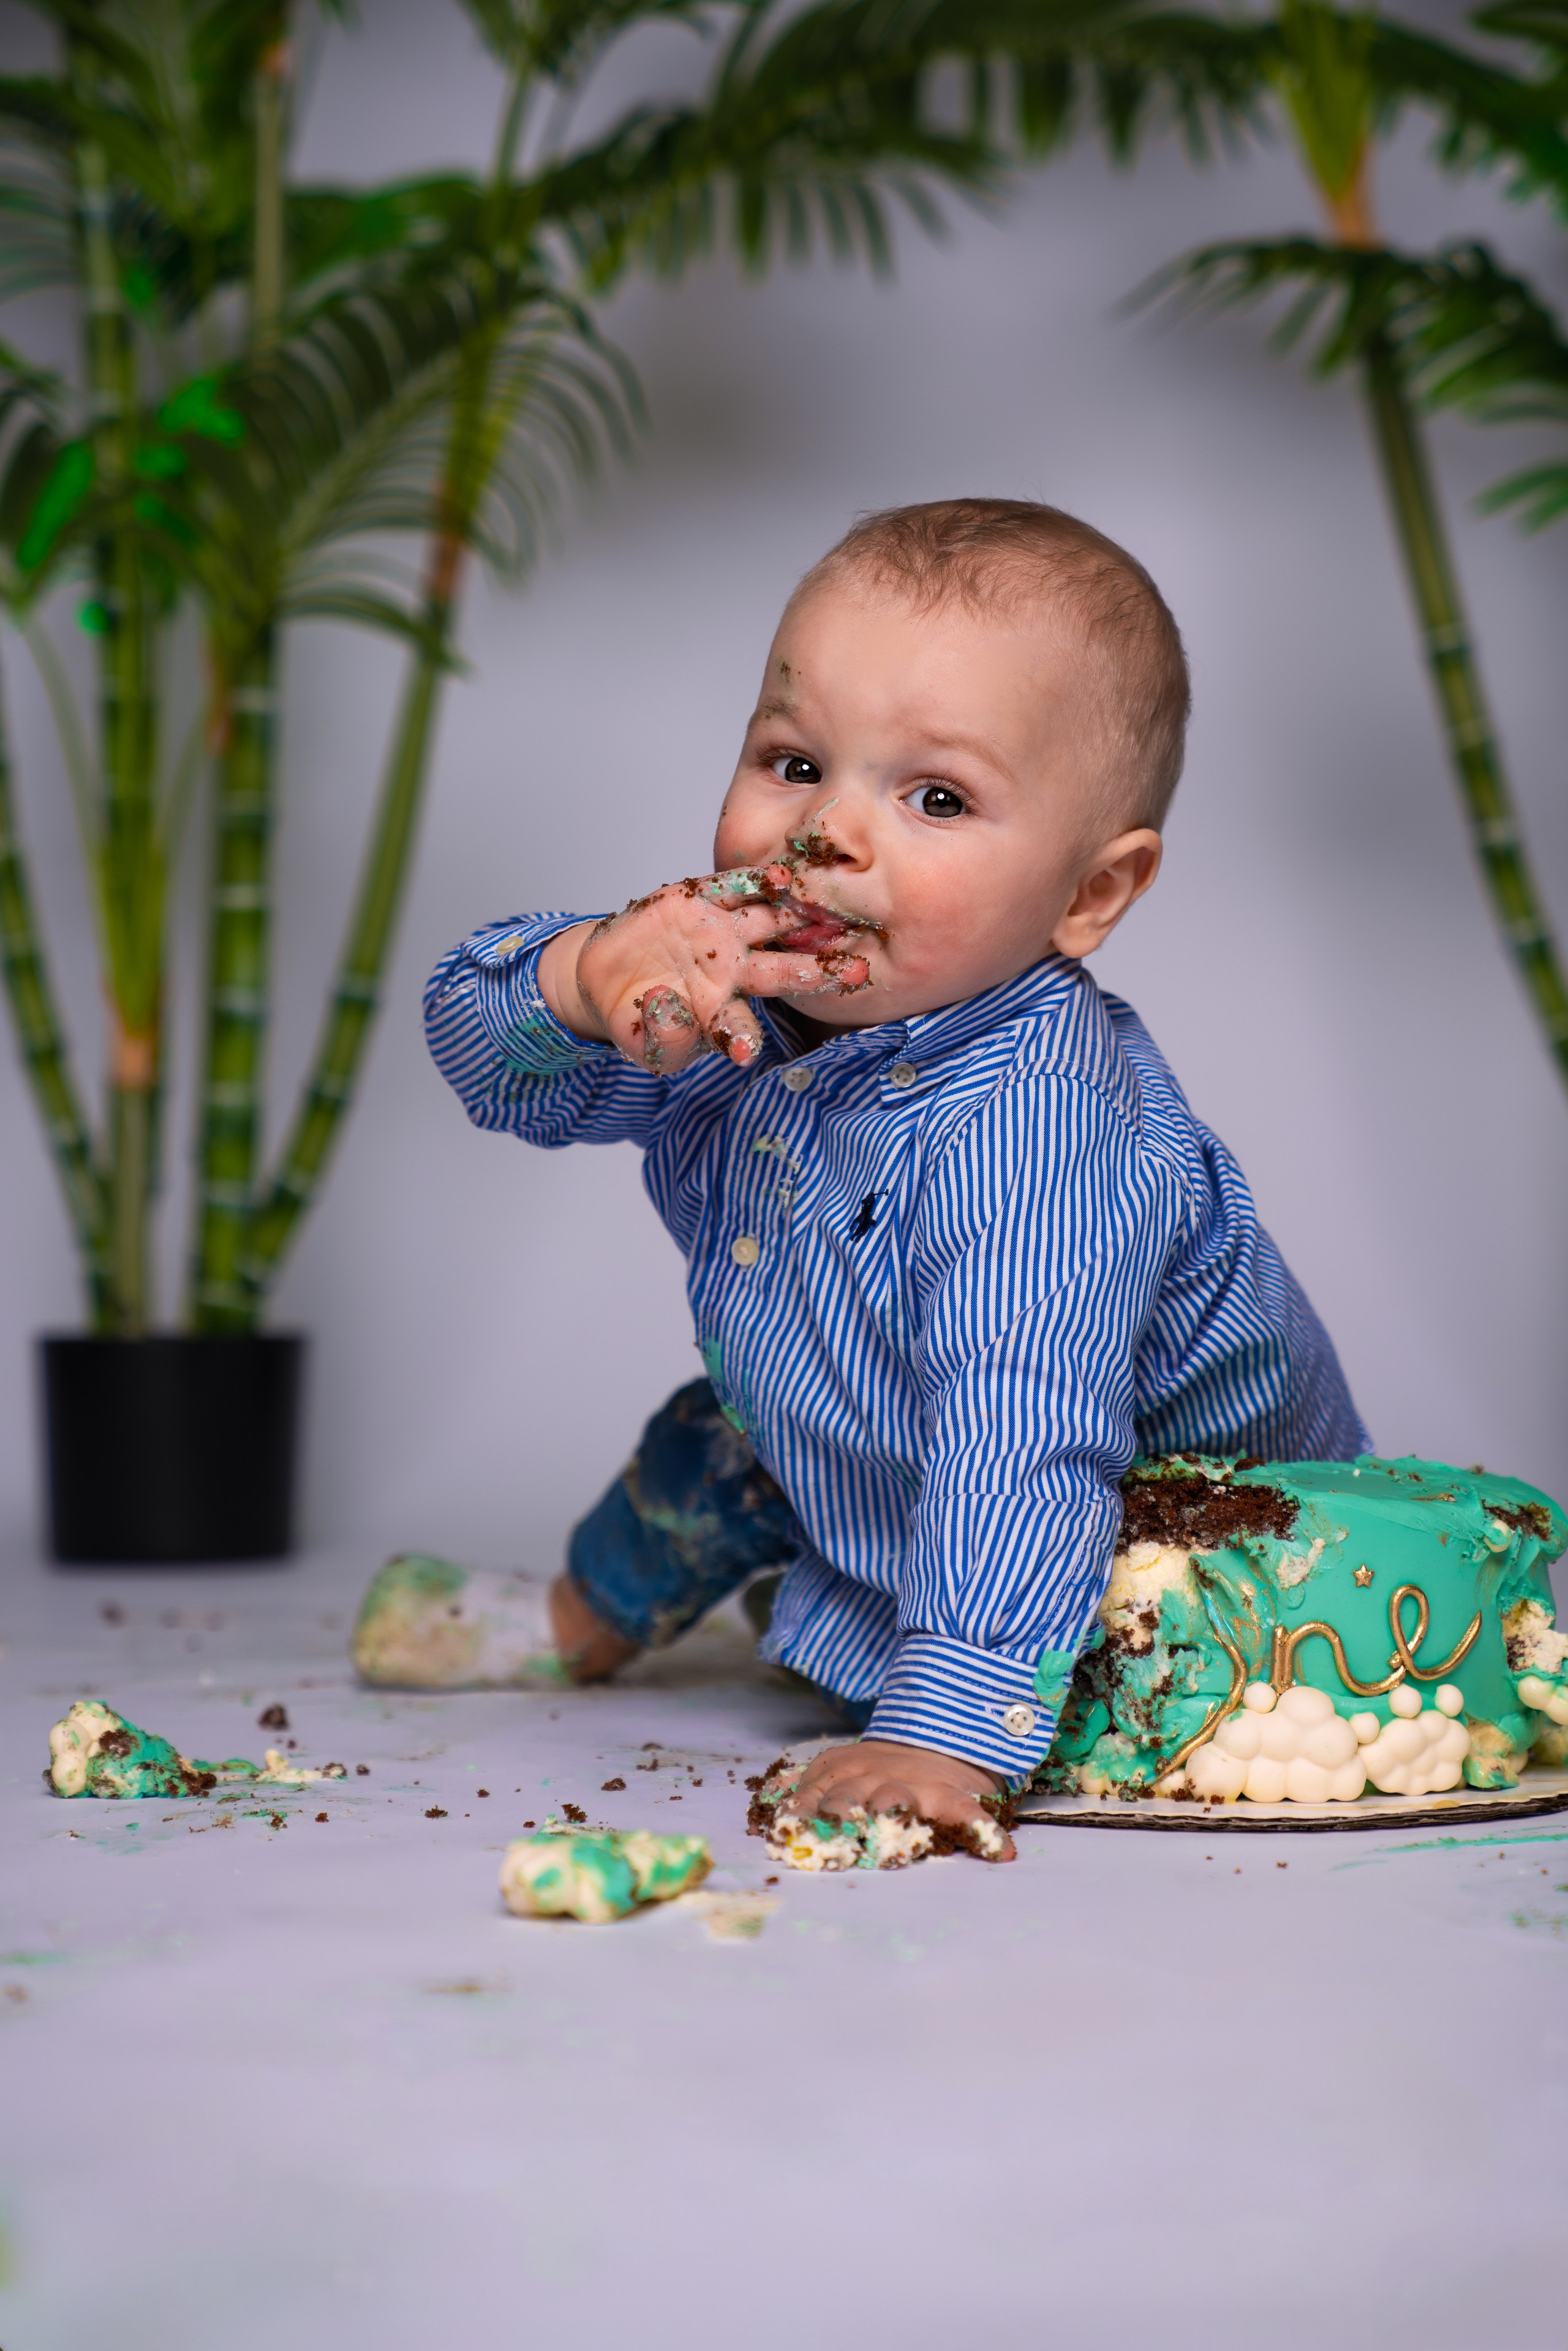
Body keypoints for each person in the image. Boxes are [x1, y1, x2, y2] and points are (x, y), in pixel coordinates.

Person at [356, 497, 1368, 1860]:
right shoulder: (745, 1006)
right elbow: (502, 1076)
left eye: (934, 796)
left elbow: (1024, 1430)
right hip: (873, 1427)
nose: (829, 831)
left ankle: (973, 1685)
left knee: (1081, 1558)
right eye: (792, 760)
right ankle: (573, 1620)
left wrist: (937, 1736)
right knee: (716, 1438)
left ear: (1089, 893)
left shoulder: (1038, 1128)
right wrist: (585, 979)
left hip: (1162, 1521)